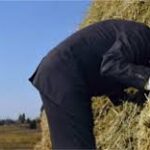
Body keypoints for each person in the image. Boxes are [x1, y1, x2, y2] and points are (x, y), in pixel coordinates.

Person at [29, 19, 150, 149]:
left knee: (66, 144)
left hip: (56, 74)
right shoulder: (141, 35)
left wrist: (124, 99)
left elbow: (107, 71)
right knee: (78, 145)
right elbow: (110, 65)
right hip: (64, 73)